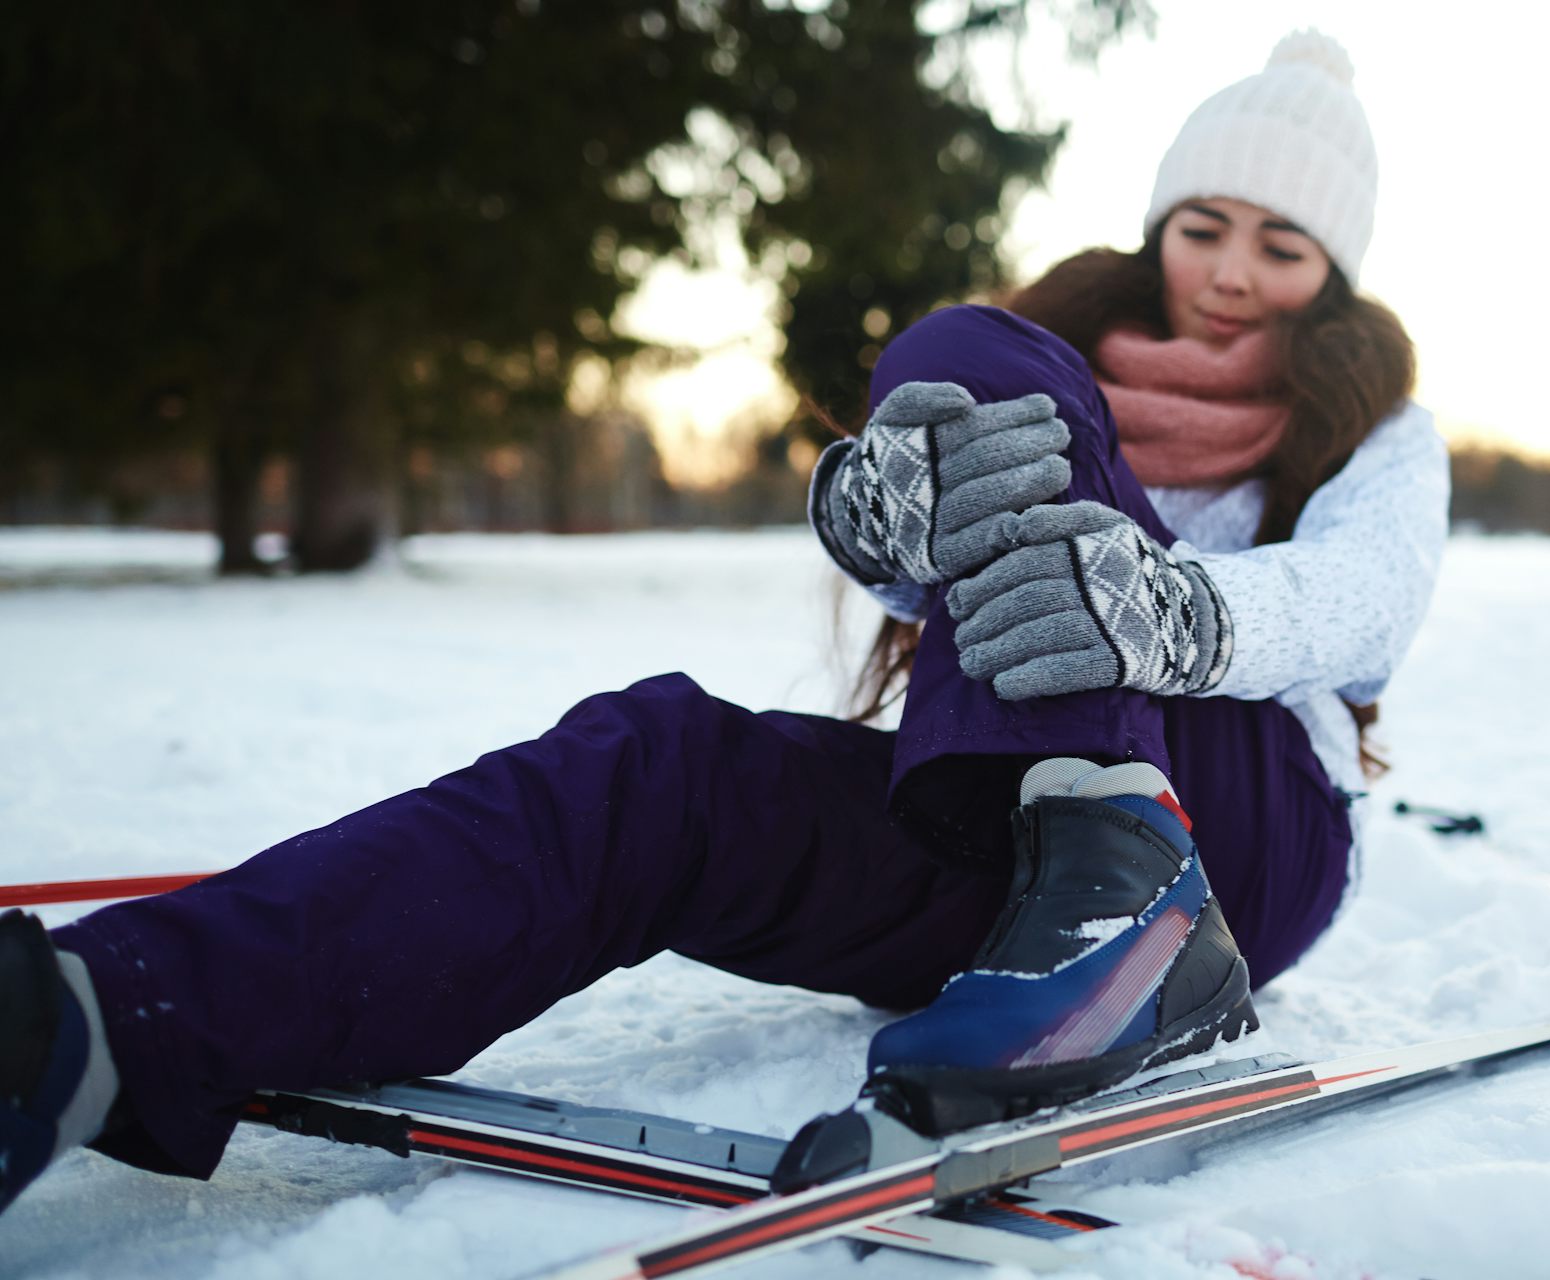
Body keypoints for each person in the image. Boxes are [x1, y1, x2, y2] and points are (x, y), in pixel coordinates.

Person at [1, 28, 1447, 1211]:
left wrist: (1173, 610)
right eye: (1205, 226)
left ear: (1335, 275)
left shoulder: (1375, 428)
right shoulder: (1052, 368)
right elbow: (950, 584)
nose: (1233, 271)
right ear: (1161, 228)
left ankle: (1131, 908)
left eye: (1281, 246)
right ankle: (89, 1030)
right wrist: (887, 529)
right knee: (668, 759)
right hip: (1006, 838)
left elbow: (1362, 602)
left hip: (1244, 833)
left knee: (988, 379)